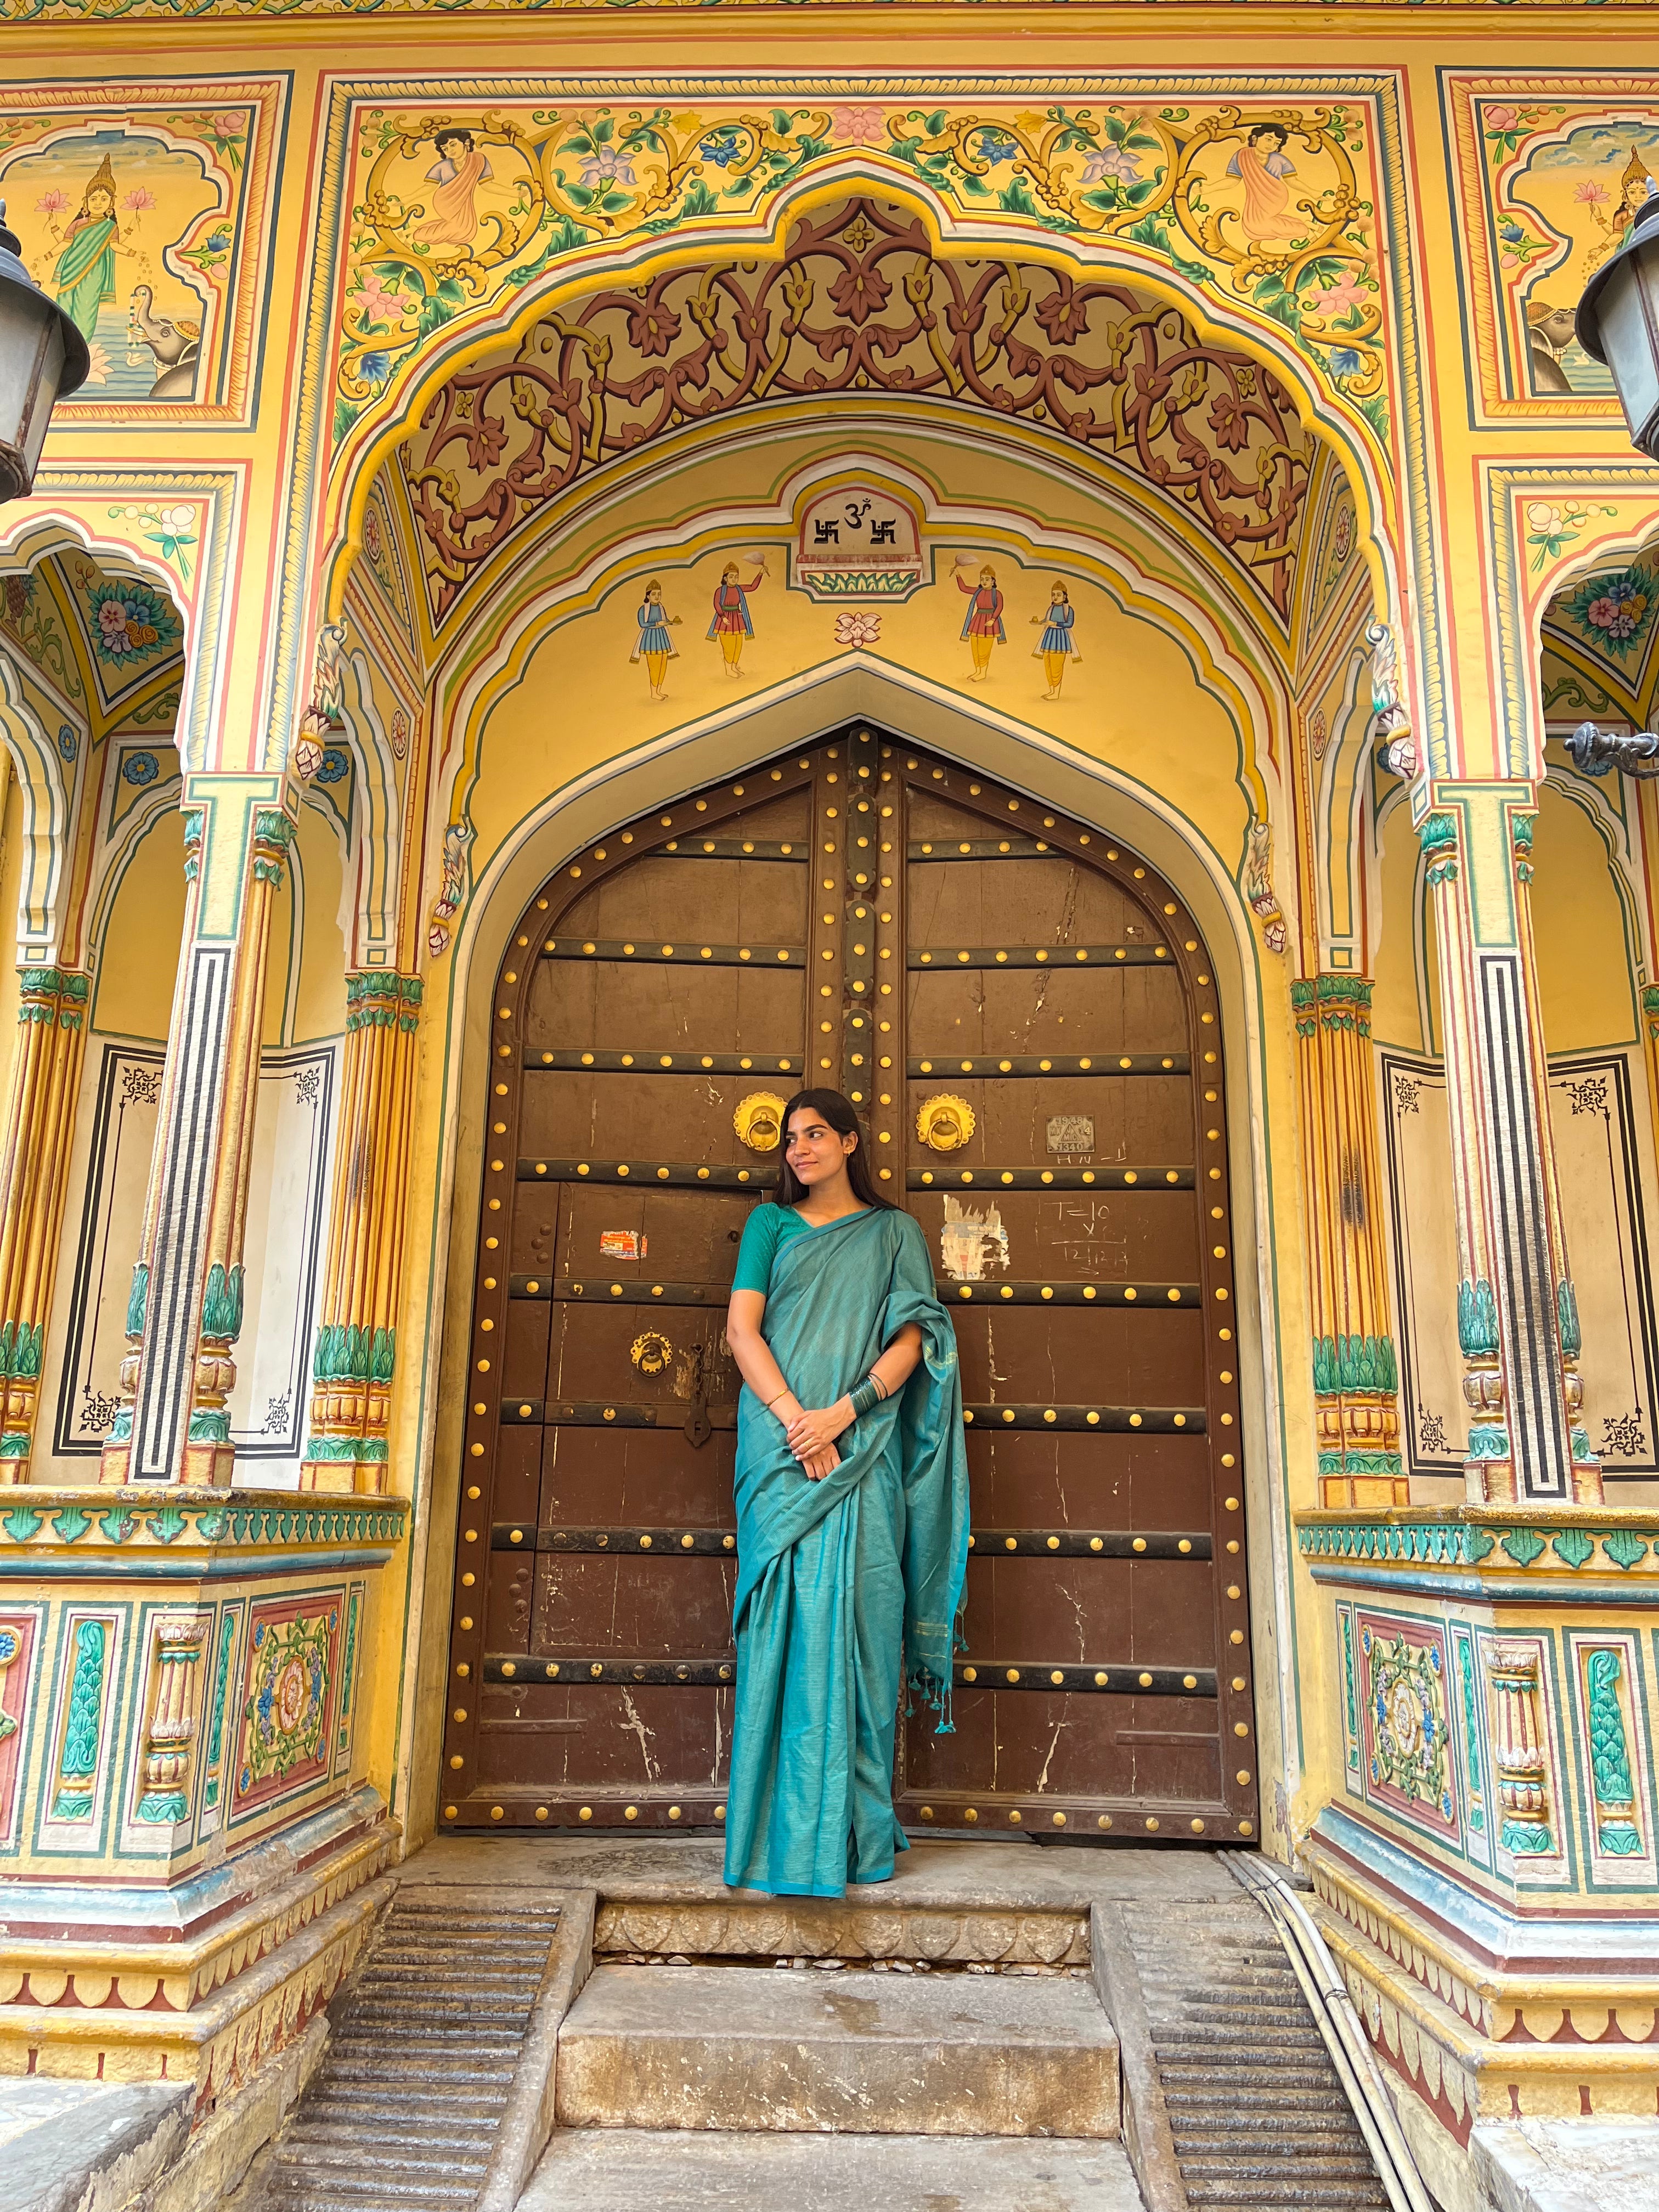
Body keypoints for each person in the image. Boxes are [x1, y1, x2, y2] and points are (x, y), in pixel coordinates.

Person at [722, 1091, 969, 1898]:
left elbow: (915, 1339)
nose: (799, 1149)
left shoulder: (894, 1233)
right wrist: (798, 1421)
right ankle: (772, 1843)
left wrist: (844, 1413)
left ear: (850, 1142)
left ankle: (854, 1839)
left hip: (861, 1450)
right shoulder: (770, 1226)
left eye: (816, 1135)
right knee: (780, 1633)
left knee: (862, 1629)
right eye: (791, 1139)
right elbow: (741, 1331)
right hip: (780, 1451)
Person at [52, 157, 125, 342]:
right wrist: (47, 254)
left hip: (94, 274)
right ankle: (58, 344)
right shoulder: (77, 224)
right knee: (64, 303)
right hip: (71, 269)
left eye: (103, 198)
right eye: (94, 198)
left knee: (86, 309)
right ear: (85, 201)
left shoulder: (110, 228)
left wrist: (134, 253)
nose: (98, 203)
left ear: (111, 203)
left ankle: (80, 344)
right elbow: (66, 242)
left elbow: (115, 246)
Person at [414, 128, 495, 250]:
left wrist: (513, 193)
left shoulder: (479, 160)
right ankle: (417, 235)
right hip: (445, 201)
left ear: (466, 143)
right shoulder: (443, 166)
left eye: (453, 145)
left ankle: (414, 230)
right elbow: (429, 187)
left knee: (466, 230)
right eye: (445, 149)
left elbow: (488, 185)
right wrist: (406, 199)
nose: (450, 151)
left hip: (463, 203)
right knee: (460, 229)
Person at [1225, 122, 1299, 245]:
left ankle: (1302, 229)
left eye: (1276, 143)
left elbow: (1293, 181)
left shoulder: (1279, 160)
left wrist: (1314, 193)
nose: (1271, 145)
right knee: (1254, 225)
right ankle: (1304, 225)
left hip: (1276, 196)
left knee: (1258, 225)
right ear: (1255, 139)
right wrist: (1209, 189)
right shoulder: (1242, 156)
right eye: (1268, 139)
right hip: (1256, 200)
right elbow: (1232, 180)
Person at [707, 558, 765, 676]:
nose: (734, 579)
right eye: (731, 576)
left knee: (738, 646)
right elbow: (717, 604)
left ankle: (734, 667)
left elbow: (752, 587)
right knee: (729, 647)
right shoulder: (720, 590)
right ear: (725, 578)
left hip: (737, 619)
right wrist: (723, 617)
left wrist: (760, 574)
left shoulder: (739, 589)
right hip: (725, 620)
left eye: (736, 577)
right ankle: (728, 670)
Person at [630, 579, 680, 698]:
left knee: (663, 666)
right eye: (654, 594)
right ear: (648, 596)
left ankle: (659, 690)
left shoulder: (661, 608)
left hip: (662, 638)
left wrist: (673, 623)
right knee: (654, 667)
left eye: (659, 594)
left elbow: (665, 621)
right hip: (651, 639)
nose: (657, 597)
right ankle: (653, 693)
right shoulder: (643, 609)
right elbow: (643, 624)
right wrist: (658, 623)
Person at [1031, 581, 1081, 699]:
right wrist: (1038, 623)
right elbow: (1046, 620)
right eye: (1053, 594)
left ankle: (1056, 693)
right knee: (1047, 665)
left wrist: (1055, 623)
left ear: (1064, 597)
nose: (1055, 597)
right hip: (1049, 637)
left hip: (1060, 639)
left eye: (1059, 595)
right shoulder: (1051, 608)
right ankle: (1052, 690)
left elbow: (1069, 624)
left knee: (1057, 666)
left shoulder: (1068, 609)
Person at [956, 562, 1005, 681]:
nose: (984, 581)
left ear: (993, 581)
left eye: (987, 579)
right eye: (982, 579)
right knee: (975, 649)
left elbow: (1000, 607)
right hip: (978, 620)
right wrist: (957, 575)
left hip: (989, 622)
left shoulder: (997, 593)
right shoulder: (978, 591)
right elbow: (964, 588)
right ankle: (977, 671)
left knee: (984, 650)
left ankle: (983, 673)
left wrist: (993, 620)